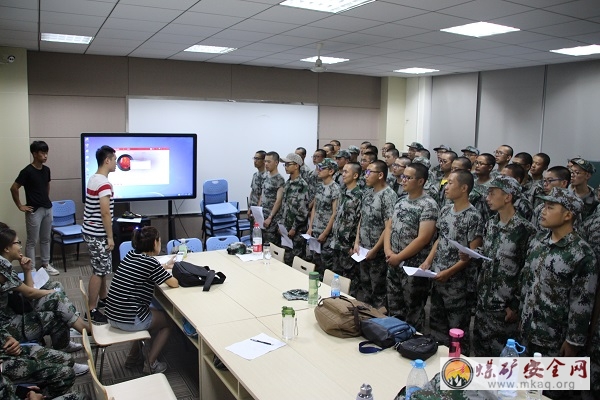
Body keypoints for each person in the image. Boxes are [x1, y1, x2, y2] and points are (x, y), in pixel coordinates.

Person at [520, 188, 597, 361]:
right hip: (527, 330)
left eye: (550, 207)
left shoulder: (581, 254)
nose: (543, 211)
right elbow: (527, 282)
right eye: (544, 206)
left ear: (568, 215)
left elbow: (582, 302)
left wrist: (573, 341)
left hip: (554, 339)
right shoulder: (538, 241)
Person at [0, 228, 89, 376]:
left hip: (14, 314)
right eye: (17, 243)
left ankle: (66, 345)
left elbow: (27, 291)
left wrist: (27, 270)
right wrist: (52, 293)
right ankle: (85, 334)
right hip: (8, 329)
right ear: (6, 248)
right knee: (56, 305)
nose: (20, 246)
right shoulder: (2, 266)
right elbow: (29, 293)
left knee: (58, 306)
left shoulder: (6, 264)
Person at [470, 176, 535, 357]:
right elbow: (490, 254)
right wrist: (473, 253)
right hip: (484, 300)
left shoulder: (525, 230)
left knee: (501, 357)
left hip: (504, 306)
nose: (487, 198)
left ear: (508, 197)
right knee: (480, 353)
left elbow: (527, 272)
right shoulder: (492, 223)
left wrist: (514, 305)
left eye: (492, 193)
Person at [420, 170, 483, 354]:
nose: (446, 187)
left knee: (457, 330)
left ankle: (459, 364)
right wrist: (428, 261)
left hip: (458, 284)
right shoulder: (446, 209)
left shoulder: (473, 216)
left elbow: (472, 253)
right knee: (436, 324)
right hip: (438, 277)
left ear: (464, 188)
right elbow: (440, 239)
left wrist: (449, 272)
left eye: (450, 183)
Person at [105, 226, 179, 374]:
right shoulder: (150, 263)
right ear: (155, 243)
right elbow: (174, 283)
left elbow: (145, 269)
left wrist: (164, 266)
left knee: (150, 313)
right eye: (159, 241)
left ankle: (132, 357)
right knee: (169, 321)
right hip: (129, 319)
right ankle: (150, 364)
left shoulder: (131, 255)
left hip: (112, 315)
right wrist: (169, 269)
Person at [384, 162, 438, 331]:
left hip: (413, 267)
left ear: (421, 181)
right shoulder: (400, 201)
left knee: (413, 311)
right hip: (393, 262)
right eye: (403, 177)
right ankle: (395, 337)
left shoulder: (428, 205)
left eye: (408, 177)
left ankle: (413, 342)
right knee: (394, 308)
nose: (403, 180)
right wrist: (388, 251)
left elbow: (423, 238)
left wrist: (399, 257)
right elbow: (389, 227)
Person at [9, 141, 59, 276]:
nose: (45, 156)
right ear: (35, 154)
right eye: (43, 153)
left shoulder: (46, 170)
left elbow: (47, 185)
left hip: (47, 208)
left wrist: (45, 198)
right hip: (34, 210)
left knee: (46, 239)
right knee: (32, 241)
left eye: (46, 153)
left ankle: (46, 264)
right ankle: (31, 269)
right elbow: (14, 188)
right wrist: (20, 205)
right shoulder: (27, 171)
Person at [354, 160, 396, 309]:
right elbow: (362, 218)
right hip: (363, 250)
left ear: (380, 175)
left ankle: (377, 318)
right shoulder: (368, 193)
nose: (365, 175)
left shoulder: (388, 195)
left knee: (378, 290)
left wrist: (375, 249)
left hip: (377, 252)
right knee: (365, 287)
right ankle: (366, 315)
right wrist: (357, 241)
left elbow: (388, 226)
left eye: (368, 172)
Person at [82, 145, 116, 325]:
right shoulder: (104, 184)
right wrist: (110, 237)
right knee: (99, 271)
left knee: (102, 269)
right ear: (107, 160)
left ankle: (103, 298)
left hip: (90, 231)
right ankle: (91, 309)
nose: (117, 163)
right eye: (115, 159)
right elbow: (105, 213)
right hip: (98, 234)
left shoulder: (94, 178)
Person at [0, 329, 86, 400]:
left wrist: (7, 337)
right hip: (5, 369)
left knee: (68, 362)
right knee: (81, 396)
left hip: (5, 354)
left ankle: (40, 394)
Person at [328, 162, 362, 296]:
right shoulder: (342, 191)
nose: (343, 174)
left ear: (355, 175)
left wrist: (354, 243)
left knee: (349, 283)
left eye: (346, 172)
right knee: (336, 280)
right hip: (337, 243)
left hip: (348, 246)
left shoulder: (359, 195)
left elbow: (359, 222)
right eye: (343, 171)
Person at [306, 158, 339, 277]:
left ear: (331, 171)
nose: (318, 170)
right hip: (315, 230)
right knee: (315, 263)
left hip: (326, 234)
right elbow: (315, 207)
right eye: (318, 168)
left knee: (326, 265)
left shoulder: (335, 188)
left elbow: (334, 213)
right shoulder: (320, 186)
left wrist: (325, 233)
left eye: (321, 168)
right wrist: (310, 227)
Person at [278, 153, 310, 266]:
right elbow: (284, 206)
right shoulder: (288, 183)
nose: (286, 167)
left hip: (296, 231)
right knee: (285, 260)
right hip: (285, 228)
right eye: (285, 165)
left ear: (296, 166)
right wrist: (281, 225)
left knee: (296, 261)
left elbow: (303, 211)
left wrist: (294, 228)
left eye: (288, 164)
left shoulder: (302, 185)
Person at [531, 166, 571, 231]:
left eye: (549, 180)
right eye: (544, 180)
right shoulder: (540, 208)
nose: (545, 184)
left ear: (563, 183)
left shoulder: (571, 207)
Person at [260, 151, 285, 247]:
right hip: (263, 215)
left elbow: (278, 201)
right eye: (265, 161)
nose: (266, 164)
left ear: (276, 162)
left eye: (269, 162)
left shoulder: (279, 179)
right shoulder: (265, 175)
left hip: (272, 218)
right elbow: (262, 194)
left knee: (271, 246)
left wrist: (270, 217)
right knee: (261, 244)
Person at [569, 157, 598, 221]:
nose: (572, 175)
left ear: (587, 176)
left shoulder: (596, 199)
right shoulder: (565, 195)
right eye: (571, 172)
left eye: (577, 172)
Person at [248, 150, 266, 225]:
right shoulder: (255, 175)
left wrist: (257, 212)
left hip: (261, 210)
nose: (255, 161)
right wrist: (250, 207)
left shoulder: (266, 176)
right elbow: (252, 191)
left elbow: (262, 195)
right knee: (253, 231)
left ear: (264, 161)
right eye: (254, 158)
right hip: (253, 208)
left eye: (257, 159)